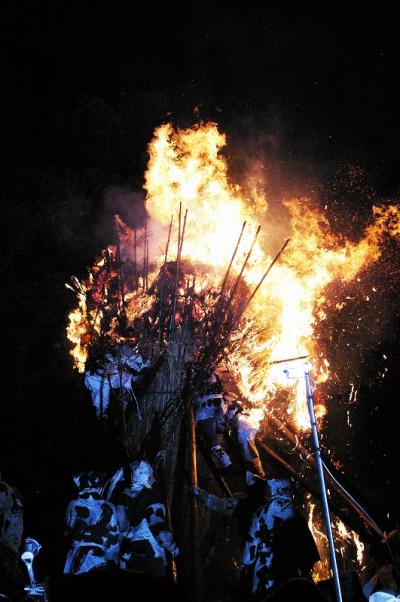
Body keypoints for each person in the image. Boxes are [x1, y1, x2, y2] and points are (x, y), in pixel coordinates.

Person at [242, 478, 320, 599]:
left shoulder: (260, 514)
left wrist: (245, 564)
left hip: (263, 572)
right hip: (287, 574)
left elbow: (251, 545)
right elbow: (308, 553)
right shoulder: (295, 516)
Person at [105, 460, 178, 578]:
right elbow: (156, 523)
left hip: (128, 553)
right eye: (150, 474)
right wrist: (171, 547)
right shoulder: (151, 495)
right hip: (150, 553)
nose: (152, 477)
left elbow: (120, 524)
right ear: (145, 475)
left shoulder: (123, 496)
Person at [63, 471, 120, 575]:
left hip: (78, 557)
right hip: (98, 558)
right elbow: (114, 541)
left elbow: (67, 532)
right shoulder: (110, 507)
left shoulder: (74, 503)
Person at [193, 372, 232, 469]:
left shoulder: (216, 376)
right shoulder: (197, 376)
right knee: (212, 439)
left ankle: (223, 457)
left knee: (216, 432)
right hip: (207, 412)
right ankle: (223, 458)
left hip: (216, 409)